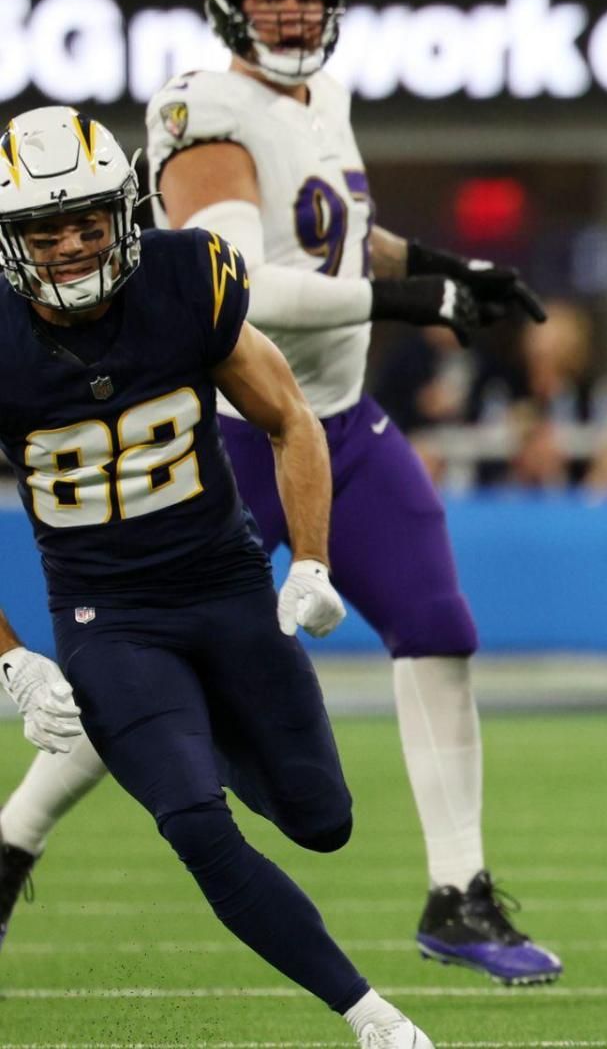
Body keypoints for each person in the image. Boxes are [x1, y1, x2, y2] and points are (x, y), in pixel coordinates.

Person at [0, 0, 561, 986]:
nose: (295, 14)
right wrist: (416, 300)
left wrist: (443, 264)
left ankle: (459, 891)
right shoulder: (204, 112)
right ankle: (14, 837)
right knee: (168, 666)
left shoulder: (323, 98)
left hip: (345, 417)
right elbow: (239, 282)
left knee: (439, 625)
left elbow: (336, 229)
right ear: (228, 7)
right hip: (237, 433)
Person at [0, 105, 431, 1048]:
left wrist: (310, 560)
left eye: (85, 222)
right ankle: (373, 1019)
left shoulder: (185, 276)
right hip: (107, 615)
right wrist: (10, 658)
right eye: (44, 228)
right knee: (195, 823)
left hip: (225, 584)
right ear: (11, 238)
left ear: (124, 211)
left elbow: (291, 419)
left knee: (323, 821)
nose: (69, 247)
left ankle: (177, 733)